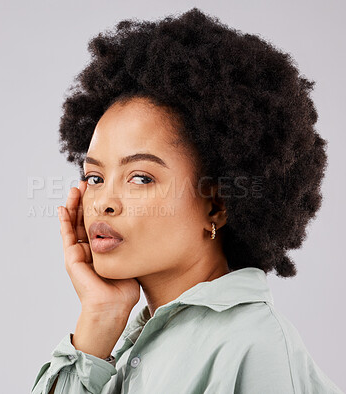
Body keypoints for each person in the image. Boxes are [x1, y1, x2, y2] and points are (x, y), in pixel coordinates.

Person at [31, 7, 343, 394]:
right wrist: (100, 315)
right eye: (94, 177)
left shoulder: (254, 346)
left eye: (141, 177)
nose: (102, 203)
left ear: (216, 205)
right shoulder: (129, 343)